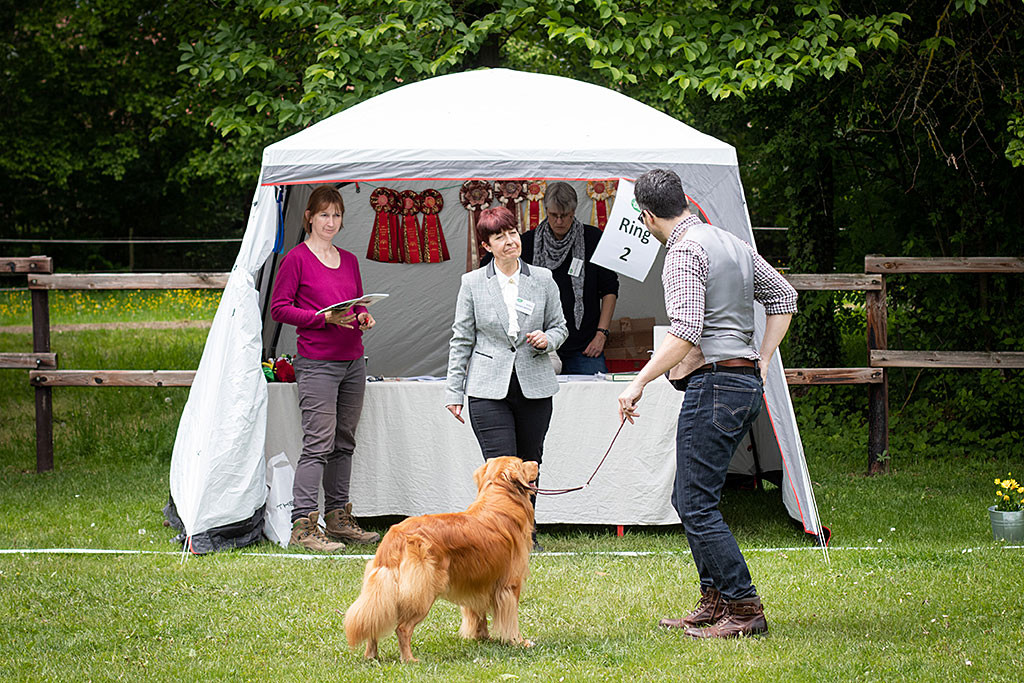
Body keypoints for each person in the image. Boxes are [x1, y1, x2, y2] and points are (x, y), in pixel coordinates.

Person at [616, 169, 797, 638]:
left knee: (695, 502)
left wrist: (638, 382)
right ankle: (715, 599)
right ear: (685, 200)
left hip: (715, 384)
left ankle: (743, 607)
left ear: (648, 215)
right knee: (689, 497)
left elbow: (686, 332)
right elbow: (784, 297)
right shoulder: (729, 242)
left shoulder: (681, 252)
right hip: (741, 384)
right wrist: (762, 358)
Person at [445, 206, 568, 550]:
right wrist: (454, 391)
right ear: (486, 245)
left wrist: (550, 339)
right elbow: (462, 339)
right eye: (499, 236)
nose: (510, 241)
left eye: (512, 232)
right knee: (500, 470)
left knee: (530, 463)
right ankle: (497, 538)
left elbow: (561, 325)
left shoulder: (543, 278)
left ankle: (526, 536)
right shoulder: (471, 283)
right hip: (487, 388)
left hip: (535, 385)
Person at [270, 184, 381, 553]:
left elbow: (356, 305)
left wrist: (362, 316)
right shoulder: (296, 259)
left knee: (344, 442)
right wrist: (322, 319)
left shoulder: (348, 259)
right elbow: (279, 308)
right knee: (318, 443)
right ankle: (304, 524)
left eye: (336, 215)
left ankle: (337, 517)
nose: (330, 222)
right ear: (309, 218)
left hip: (353, 360)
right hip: (317, 362)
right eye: (323, 215)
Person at [523, 182, 619, 374]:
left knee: (593, 400)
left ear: (573, 212)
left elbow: (610, 290)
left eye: (565, 215)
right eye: (553, 215)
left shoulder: (593, 239)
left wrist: (601, 334)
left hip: (584, 346)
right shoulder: (527, 243)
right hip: (539, 347)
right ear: (545, 211)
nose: (559, 221)